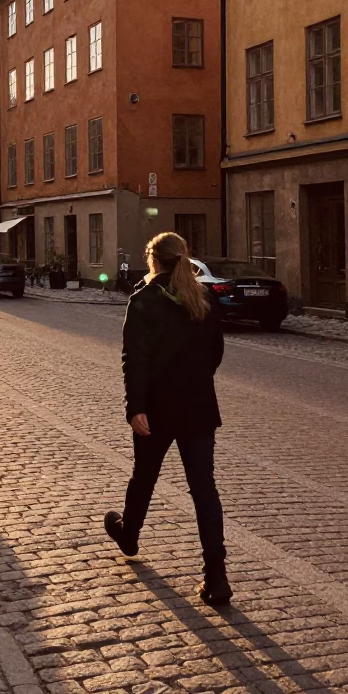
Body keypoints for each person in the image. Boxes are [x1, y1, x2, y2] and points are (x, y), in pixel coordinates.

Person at [104, 231, 230, 604]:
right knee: (204, 491)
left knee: (144, 476)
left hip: (156, 409)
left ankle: (129, 536)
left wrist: (135, 407)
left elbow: (135, 359)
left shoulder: (143, 300)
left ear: (152, 260)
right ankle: (216, 577)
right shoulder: (204, 299)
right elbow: (215, 354)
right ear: (184, 258)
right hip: (198, 407)